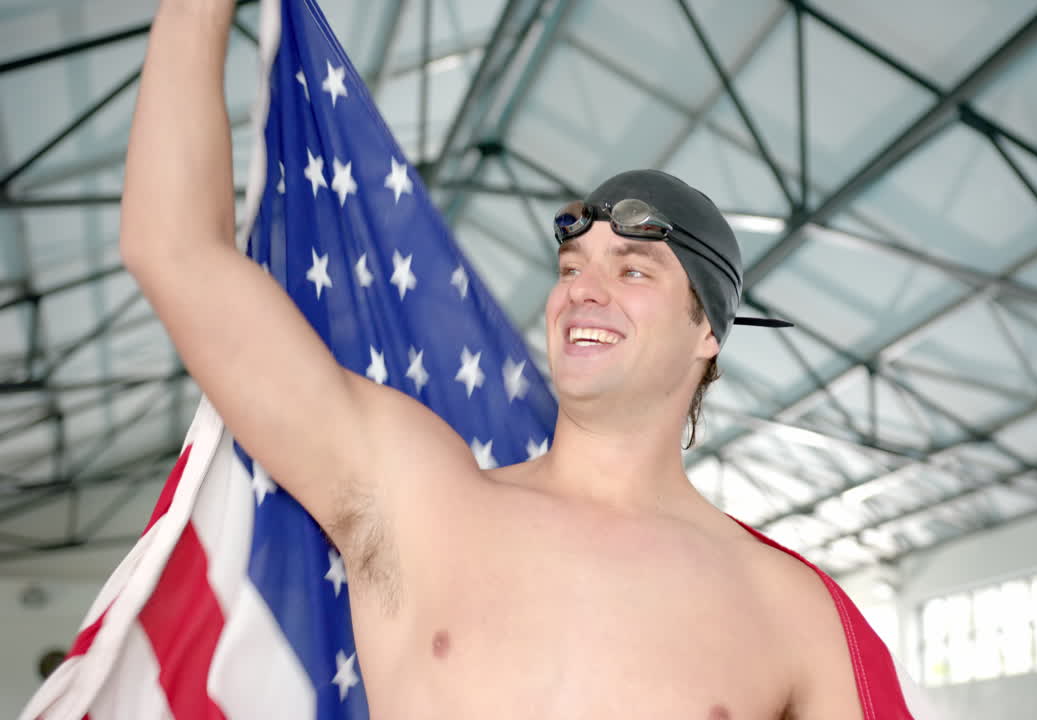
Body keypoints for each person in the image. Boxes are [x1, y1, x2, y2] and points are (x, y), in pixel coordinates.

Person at [122, 1, 911, 718]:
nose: (584, 291)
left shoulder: (790, 613)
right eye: (572, 269)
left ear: (708, 331)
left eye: (634, 271)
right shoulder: (417, 498)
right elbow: (176, 253)